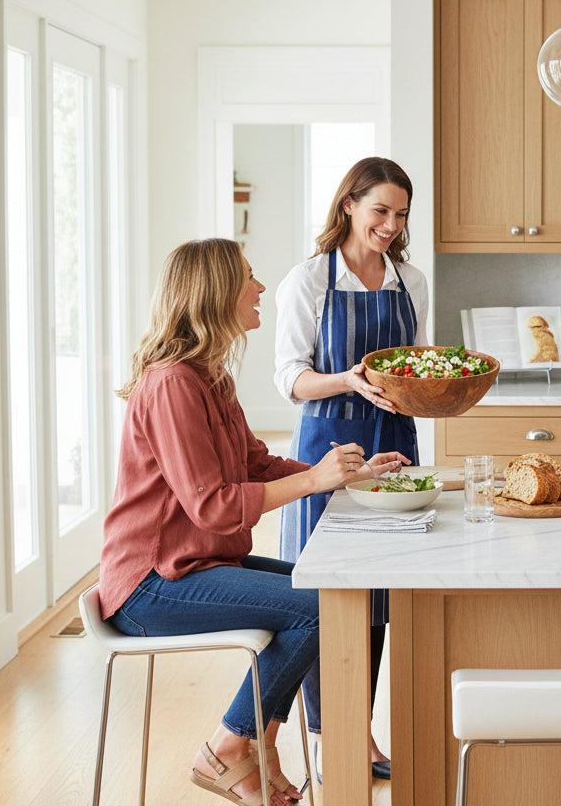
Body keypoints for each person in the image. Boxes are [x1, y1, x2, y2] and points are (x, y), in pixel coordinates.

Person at [99, 238, 406, 806]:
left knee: (332, 592)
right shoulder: (171, 384)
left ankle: (251, 745)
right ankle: (227, 746)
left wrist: (346, 473)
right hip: (153, 586)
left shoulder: (208, 378)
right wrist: (316, 481)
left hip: (195, 566)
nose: (261, 288)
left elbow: (254, 464)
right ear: (216, 293)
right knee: (321, 604)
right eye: (248, 277)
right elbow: (212, 504)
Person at [273, 157, 427, 779]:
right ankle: (337, 739)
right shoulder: (309, 280)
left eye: (401, 215)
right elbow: (289, 378)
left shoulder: (408, 280)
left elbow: (413, 365)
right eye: (380, 211)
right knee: (329, 592)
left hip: (394, 443)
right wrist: (349, 381)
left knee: (380, 596)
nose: (390, 225)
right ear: (348, 206)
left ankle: (358, 732)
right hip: (330, 450)